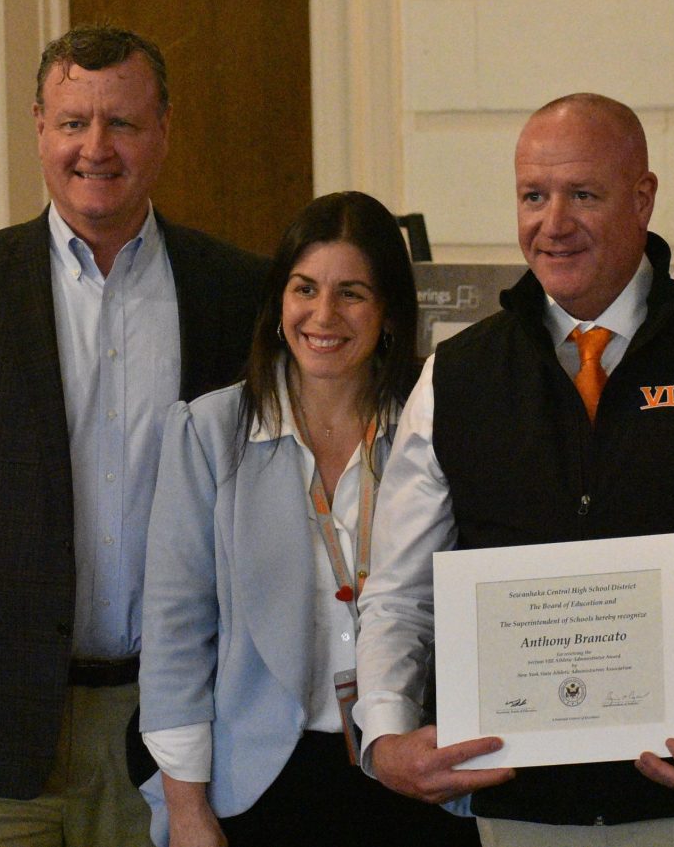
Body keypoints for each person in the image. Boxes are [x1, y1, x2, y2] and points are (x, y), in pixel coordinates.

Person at [353, 93, 674, 847]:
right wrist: (386, 734)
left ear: (644, 198)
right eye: (533, 195)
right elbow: (397, 595)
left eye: (583, 194)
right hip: (520, 814)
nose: (553, 223)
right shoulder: (456, 377)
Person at [0, 25, 268, 847]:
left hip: (175, 733)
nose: (95, 148)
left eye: (123, 124)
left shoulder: (236, 290)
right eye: (73, 122)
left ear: (164, 130)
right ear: (38, 127)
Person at [137, 191, 479, 847]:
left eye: (352, 292)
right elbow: (176, 633)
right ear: (277, 304)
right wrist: (186, 810)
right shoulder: (209, 433)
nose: (324, 314)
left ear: (386, 312)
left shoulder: (434, 424)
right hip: (263, 781)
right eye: (304, 288)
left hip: (413, 770)